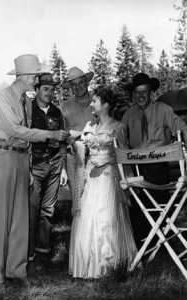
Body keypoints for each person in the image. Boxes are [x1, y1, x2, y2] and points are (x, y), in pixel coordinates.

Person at [0, 54, 69, 293]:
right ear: (23, 76)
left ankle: (16, 271)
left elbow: (25, 138)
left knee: (20, 221)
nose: (36, 80)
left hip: (22, 160)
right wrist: (51, 135)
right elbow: (16, 130)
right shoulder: (2, 98)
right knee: (1, 220)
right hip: (2, 158)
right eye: (34, 76)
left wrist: (30, 164)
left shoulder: (24, 100)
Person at [69, 87, 137, 279]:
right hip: (91, 178)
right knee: (86, 217)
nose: (91, 104)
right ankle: (88, 265)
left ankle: (110, 265)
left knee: (106, 219)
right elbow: (78, 149)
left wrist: (108, 159)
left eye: (94, 101)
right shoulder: (89, 127)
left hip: (108, 178)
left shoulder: (118, 127)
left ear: (105, 104)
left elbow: (125, 156)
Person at [122, 72, 187, 248]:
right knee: (137, 207)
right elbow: (119, 138)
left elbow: (182, 129)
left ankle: (162, 242)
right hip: (136, 167)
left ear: (151, 92)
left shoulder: (163, 110)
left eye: (144, 91)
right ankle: (144, 245)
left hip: (158, 166)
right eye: (137, 92)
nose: (141, 95)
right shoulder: (128, 115)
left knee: (159, 202)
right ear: (133, 94)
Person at [28, 73, 68, 267]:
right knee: (31, 211)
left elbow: (62, 142)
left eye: (52, 89)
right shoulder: (28, 110)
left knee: (47, 211)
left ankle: (43, 254)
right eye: (46, 89)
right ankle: (28, 257)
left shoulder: (57, 112)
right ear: (36, 90)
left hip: (54, 164)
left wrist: (63, 169)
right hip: (34, 166)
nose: (50, 93)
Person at [60, 67, 96, 216]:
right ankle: (80, 237)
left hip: (97, 156)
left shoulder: (97, 99)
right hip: (74, 158)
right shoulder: (64, 107)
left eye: (80, 82)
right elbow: (62, 138)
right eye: (73, 84)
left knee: (98, 199)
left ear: (86, 82)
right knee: (78, 202)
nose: (77, 87)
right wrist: (62, 168)